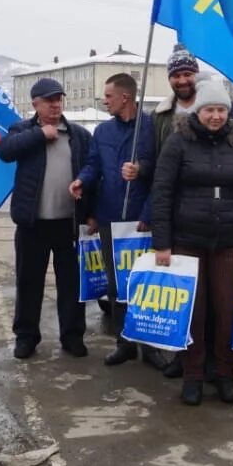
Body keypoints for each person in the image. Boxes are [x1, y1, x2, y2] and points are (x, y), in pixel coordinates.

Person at [150, 79, 233, 406]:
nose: (215, 116)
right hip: (188, 241)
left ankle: (225, 375)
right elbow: (163, 193)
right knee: (194, 313)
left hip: (229, 241)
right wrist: (163, 243)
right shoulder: (178, 142)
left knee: (227, 311)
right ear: (198, 111)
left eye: (221, 110)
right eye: (210, 109)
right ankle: (193, 376)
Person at [69, 73, 166, 370]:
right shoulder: (102, 132)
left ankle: (150, 347)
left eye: (108, 96)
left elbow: (162, 173)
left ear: (125, 97)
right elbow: (93, 165)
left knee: (146, 285)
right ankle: (124, 343)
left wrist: (142, 173)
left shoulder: (151, 128)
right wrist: (82, 181)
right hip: (111, 219)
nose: (104, 101)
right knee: (118, 285)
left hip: (141, 220)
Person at [0, 78, 93, 360]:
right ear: (35, 104)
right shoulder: (22, 130)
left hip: (69, 225)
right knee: (28, 283)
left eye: (58, 100)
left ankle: (72, 336)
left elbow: (91, 171)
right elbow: (5, 151)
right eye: (49, 101)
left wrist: (90, 214)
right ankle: (26, 337)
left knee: (71, 284)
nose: (55, 105)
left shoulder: (78, 135)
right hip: (32, 225)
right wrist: (40, 135)